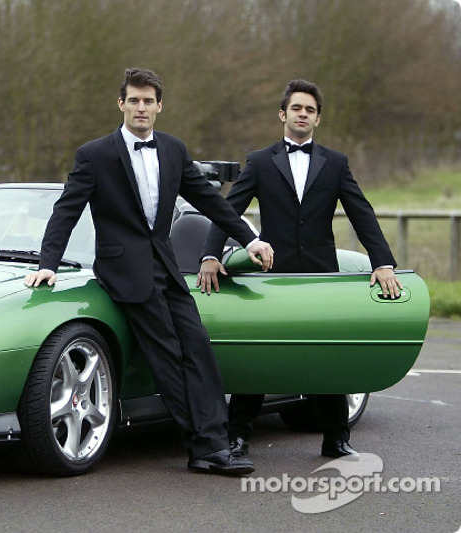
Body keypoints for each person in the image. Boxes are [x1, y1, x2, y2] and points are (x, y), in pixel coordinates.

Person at [24, 68, 274, 476]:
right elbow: (66, 210)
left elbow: (212, 202)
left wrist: (249, 240)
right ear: (121, 104)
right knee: (168, 358)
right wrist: (47, 265)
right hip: (125, 274)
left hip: (167, 269)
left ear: (160, 106)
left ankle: (216, 440)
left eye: (149, 101)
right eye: (134, 100)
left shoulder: (174, 150)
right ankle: (203, 448)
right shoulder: (95, 154)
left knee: (199, 350)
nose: (141, 108)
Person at [197, 78, 402, 460]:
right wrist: (210, 255)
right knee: (261, 354)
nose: (302, 114)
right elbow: (229, 211)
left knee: (327, 355)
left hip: (322, 277)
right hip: (273, 277)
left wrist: (383, 262)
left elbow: (361, 213)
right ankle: (238, 436)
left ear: (317, 118)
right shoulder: (259, 161)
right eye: (296, 108)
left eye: (309, 109)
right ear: (283, 113)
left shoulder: (337, 163)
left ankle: (336, 439)